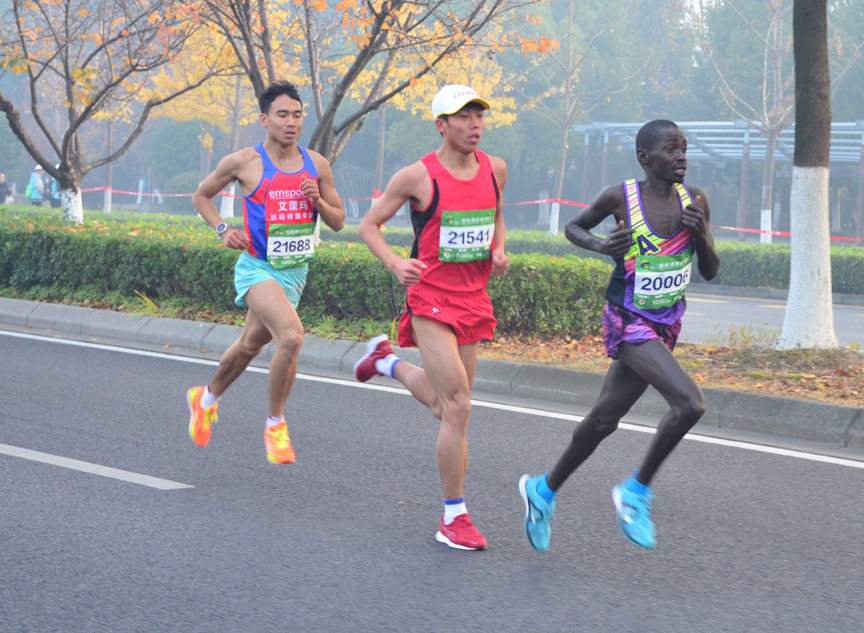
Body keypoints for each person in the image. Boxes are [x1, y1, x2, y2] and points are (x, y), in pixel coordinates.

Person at [517, 119, 721, 551]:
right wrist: (600, 246)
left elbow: (710, 270)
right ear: (646, 158)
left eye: (684, 148)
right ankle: (636, 491)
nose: (681, 156)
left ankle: (543, 490)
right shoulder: (620, 197)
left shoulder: (696, 200)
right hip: (627, 320)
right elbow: (575, 227)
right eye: (671, 149)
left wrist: (701, 233)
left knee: (603, 421)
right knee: (690, 404)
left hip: (666, 323)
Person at [352, 85, 509, 551]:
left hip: (474, 298)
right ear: (441, 125)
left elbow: (497, 218)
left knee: (446, 408)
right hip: (431, 299)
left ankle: (384, 362)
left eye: (479, 114)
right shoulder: (418, 177)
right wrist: (396, 263)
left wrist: (499, 249)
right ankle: (453, 518)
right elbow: (368, 225)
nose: (474, 124)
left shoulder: (496, 169)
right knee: (459, 407)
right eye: (463, 117)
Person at [185, 81, 346, 464]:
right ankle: (275, 425)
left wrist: (318, 200)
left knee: (249, 347)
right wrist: (223, 230)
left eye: (297, 114)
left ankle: (205, 398)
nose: (291, 122)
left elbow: (339, 221)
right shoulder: (243, 162)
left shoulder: (316, 164)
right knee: (291, 337)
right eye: (282, 114)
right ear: (264, 119)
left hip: (294, 273)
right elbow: (200, 197)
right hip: (256, 268)